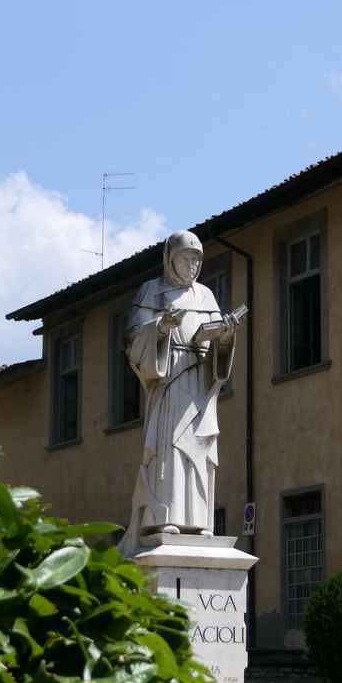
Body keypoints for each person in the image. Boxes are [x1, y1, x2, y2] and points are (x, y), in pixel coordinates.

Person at [119, 230, 239, 554]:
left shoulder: (206, 296)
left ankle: (199, 521)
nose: (192, 266)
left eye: (197, 260)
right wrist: (160, 327)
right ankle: (163, 517)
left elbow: (218, 347)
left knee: (200, 447)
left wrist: (226, 334)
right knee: (169, 448)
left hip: (199, 383)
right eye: (186, 259)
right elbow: (132, 342)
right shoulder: (152, 292)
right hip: (169, 379)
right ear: (170, 259)